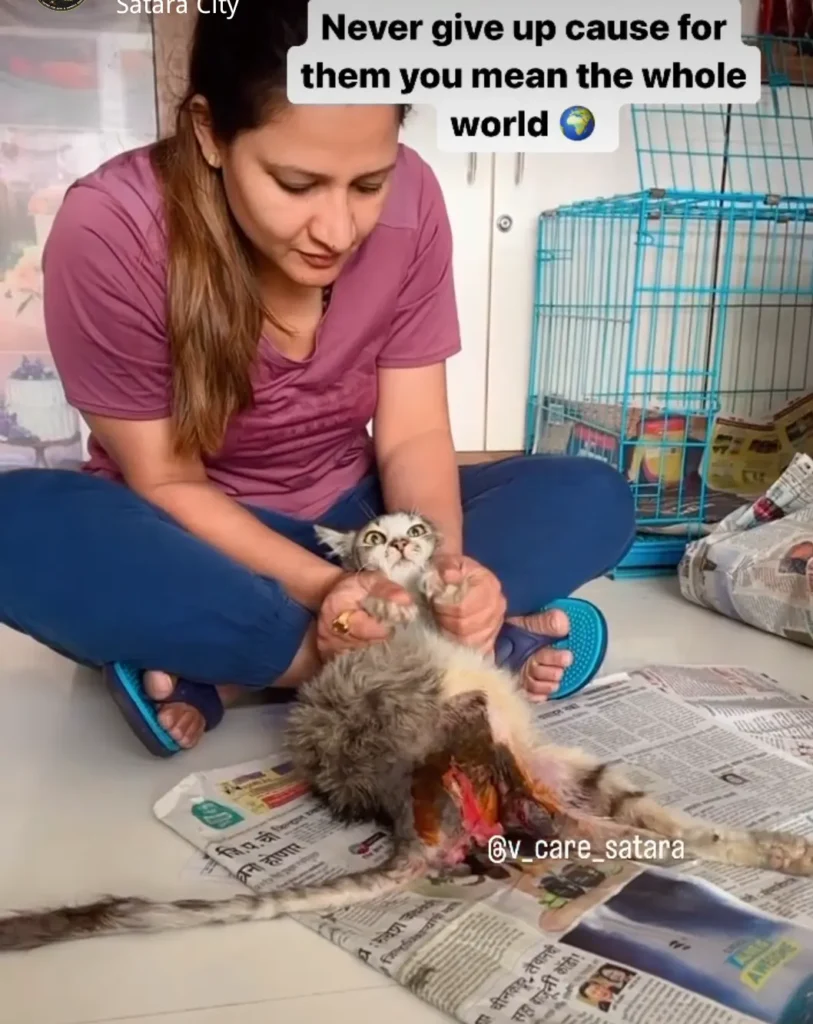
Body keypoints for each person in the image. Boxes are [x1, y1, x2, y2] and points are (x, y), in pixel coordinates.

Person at [0, 0, 634, 757]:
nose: (337, 230)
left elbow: (413, 435)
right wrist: (328, 593)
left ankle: (232, 666)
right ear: (208, 131)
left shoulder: (414, 200)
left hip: (359, 528)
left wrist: (444, 574)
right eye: (296, 184)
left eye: (368, 184)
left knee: (592, 496)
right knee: (17, 527)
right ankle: (386, 655)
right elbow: (166, 480)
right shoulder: (112, 229)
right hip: (193, 534)